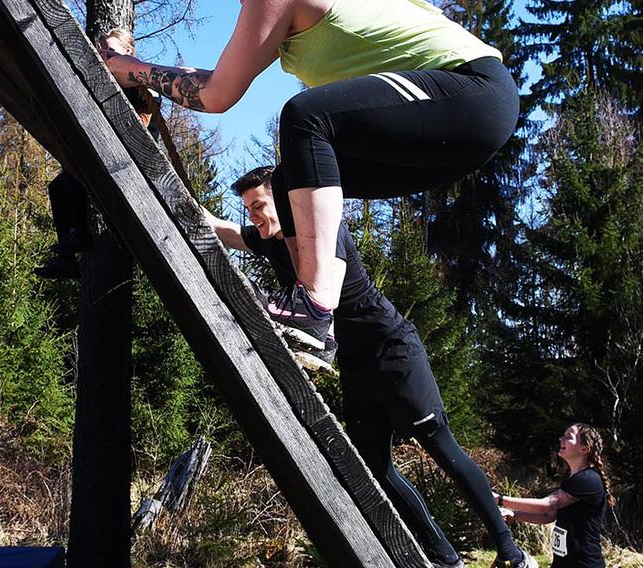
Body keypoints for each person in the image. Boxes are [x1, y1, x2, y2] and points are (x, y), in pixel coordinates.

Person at [101, 0, 519, 355]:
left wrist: (128, 68)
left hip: (474, 92)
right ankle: (318, 325)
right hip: (457, 131)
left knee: (306, 117)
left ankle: (314, 306)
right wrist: (142, 70)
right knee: (289, 181)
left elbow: (216, 95)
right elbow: (213, 80)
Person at [205, 166, 535, 568]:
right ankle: (445, 558)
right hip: (356, 365)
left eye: (259, 206)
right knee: (374, 468)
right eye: (249, 209)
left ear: (284, 202)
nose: (253, 216)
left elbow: (330, 291)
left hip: (393, 350)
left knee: (440, 447)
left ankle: (511, 554)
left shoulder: (324, 232)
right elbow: (222, 229)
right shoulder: (268, 239)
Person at [36, 28, 160, 278]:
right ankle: (70, 250)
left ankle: (89, 237)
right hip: (109, 148)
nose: (106, 56)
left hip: (135, 155)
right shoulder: (101, 81)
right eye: (102, 52)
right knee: (61, 185)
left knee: (78, 177)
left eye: (111, 51)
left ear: (128, 51)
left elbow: (141, 124)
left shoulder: (141, 81)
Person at [494, 424, 613, 568]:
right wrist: (514, 515)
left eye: (569, 437)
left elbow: (547, 505)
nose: (561, 439)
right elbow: (549, 516)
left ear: (585, 448)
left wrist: (501, 500)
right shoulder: (572, 479)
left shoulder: (588, 479)